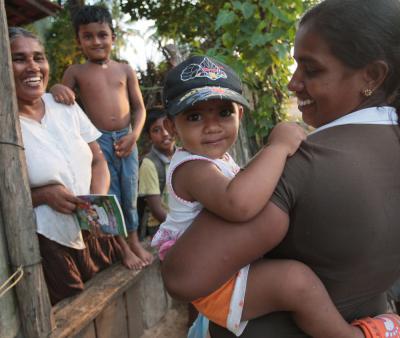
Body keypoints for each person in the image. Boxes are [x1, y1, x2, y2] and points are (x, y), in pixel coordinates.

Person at [161, 1, 400, 337]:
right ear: (172, 128)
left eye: (312, 70)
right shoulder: (191, 168)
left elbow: (182, 277)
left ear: (372, 76)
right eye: (195, 117)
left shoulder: (310, 165)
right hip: (368, 308)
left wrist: (278, 147)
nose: (291, 83)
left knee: (295, 281)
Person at [9, 27, 123, 305]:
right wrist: (43, 196)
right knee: (74, 314)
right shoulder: (6, 128)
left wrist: (93, 202)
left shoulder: (65, 105)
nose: (33, 67)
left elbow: (97, 157)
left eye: (39, 57)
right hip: (50, 246)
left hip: (95, 230)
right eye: (19, 59)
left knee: (115, 303)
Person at [50, 5, 153, 270]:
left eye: (102, 35)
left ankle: (134, 240)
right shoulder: (76, 72)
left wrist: (135, 135)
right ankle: (121, 248)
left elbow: (140, 108)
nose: (96, 41)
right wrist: (58, 87)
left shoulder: (125, 69)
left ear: (113, 37)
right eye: (88, 36)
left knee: (130, 193)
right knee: (108, 196)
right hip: (97, 143)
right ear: (79, 41)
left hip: (127, 139)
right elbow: (60, 100)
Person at [138, 107, 175, 238]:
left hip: (184, 222)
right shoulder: (149, 164)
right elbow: (157, 211)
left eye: (167, 126)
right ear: (149, 136)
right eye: (156, 130)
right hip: (161, 226)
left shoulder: (184, 155)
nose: (165, 133)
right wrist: (181, 227)